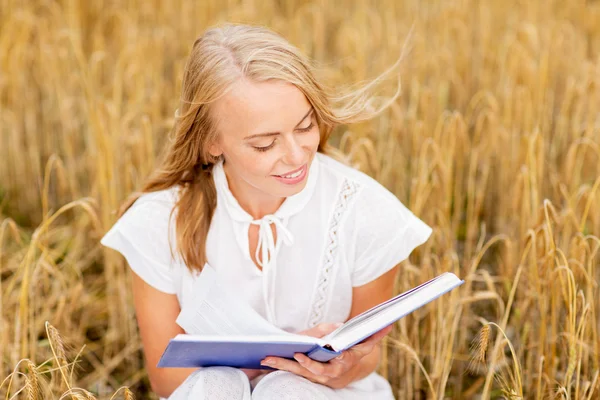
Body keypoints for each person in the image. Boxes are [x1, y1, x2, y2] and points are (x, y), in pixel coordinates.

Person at [100, 23, 432, 399]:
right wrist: (268, 360)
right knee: (214, 385)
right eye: (264, 144)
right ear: (212, 143)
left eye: (305, 126)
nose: (295, 155)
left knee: (287, 390)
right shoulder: (158, 222)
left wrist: (339, 369)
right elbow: (167, 380)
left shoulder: (367, 213)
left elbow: (367, 359)